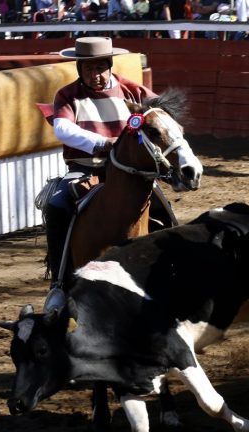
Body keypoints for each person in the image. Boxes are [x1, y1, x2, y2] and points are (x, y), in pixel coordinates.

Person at [44, 37, 157, 289]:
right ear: (79, 69)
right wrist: (105, 144)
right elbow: (62, 130)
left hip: (130, 172)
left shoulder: (133, 90)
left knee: (161, 205)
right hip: (84, 171)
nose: (94, 74)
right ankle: (59, 283)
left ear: (109, 66)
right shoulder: (67, 94)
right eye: (88, 68)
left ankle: (167, 272)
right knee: (56, 206)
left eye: (99, 68)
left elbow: (159, 116)